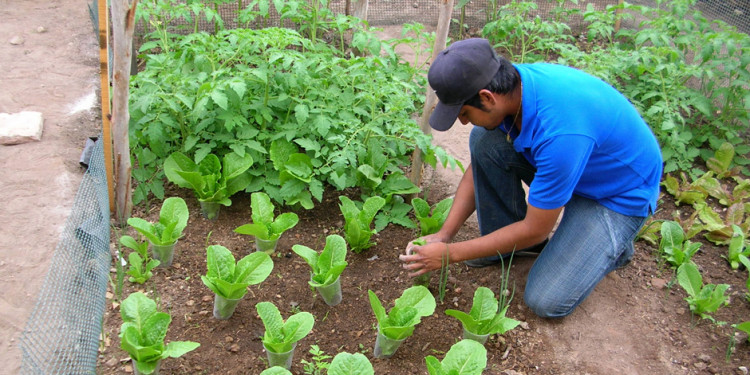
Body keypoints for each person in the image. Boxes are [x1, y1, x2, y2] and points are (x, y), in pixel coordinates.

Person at [399, 38, 663, 318]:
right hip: (576, 168)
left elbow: (537, 228)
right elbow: (478, 166)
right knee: (485, 140)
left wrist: (451, 254)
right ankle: (512, 247)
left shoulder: (560, 133)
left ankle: (613, 245)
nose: (462, 122)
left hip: (614, 195)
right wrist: (444, 235)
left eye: (464, 113)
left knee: (545, 299)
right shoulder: (513, 88)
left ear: (487, 97)